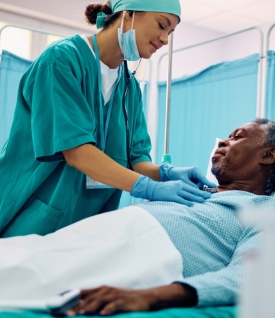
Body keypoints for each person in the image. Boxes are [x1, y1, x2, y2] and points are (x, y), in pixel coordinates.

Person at [0, 118, 275, 315]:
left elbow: (250, 276)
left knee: (23, 276)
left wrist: (152, 296)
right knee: (16, 256)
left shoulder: (270, 211)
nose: (222, 142)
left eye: (237, 137)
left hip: (142, 252)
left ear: (269, 156)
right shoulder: (193, 191)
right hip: (102, 234)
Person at [0, 0, 216, 238]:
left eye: (171, 33)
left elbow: (135, 160)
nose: (165, 39)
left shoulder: (129, 88)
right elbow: (77, 152)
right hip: (31, 214)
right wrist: (149, 188)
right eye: (162, 25)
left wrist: (165, 173)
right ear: (128, 14)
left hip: (87, 225)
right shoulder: (61, 61)